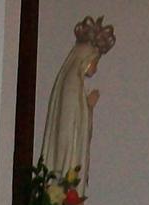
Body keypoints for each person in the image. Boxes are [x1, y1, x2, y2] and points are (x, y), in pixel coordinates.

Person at [40, 15, 115, 188]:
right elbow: (68, 131)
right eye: (95, 62)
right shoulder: (72, 85)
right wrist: (88, 107)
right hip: (65, 163)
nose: (95, 68)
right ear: (85, 59)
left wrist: (88, 107)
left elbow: (75, 123)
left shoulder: (74, 84)